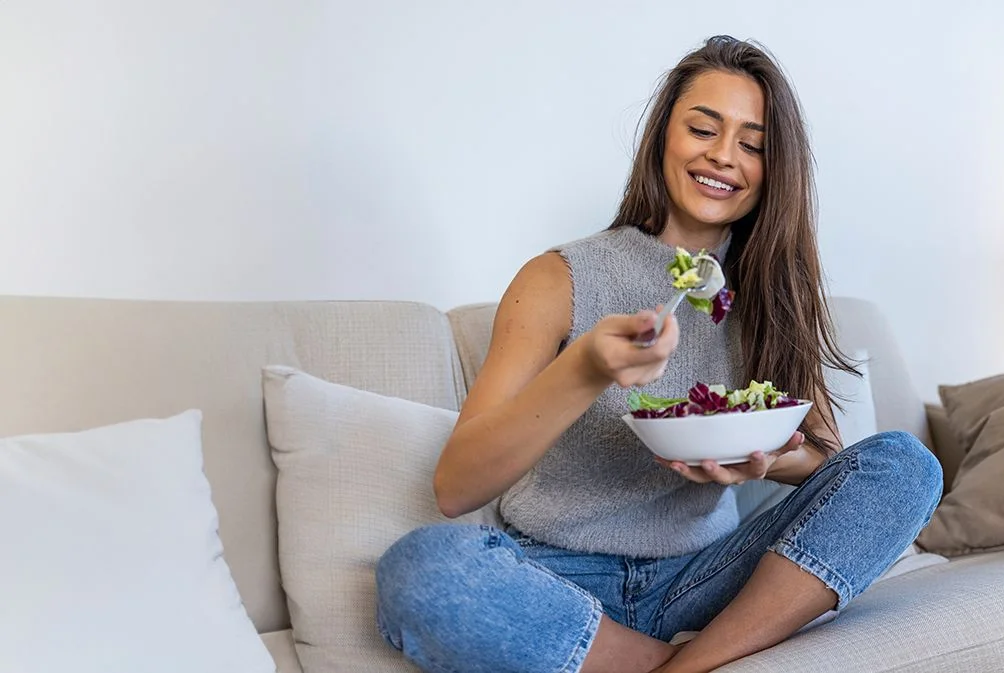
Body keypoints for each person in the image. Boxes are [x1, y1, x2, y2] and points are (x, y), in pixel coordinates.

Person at [373, 36, 944, 673]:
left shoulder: (772, 294)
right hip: (555, 577)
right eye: (703, 128)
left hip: (702, 579)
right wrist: (586, 369)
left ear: (773, 169)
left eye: (752, 145)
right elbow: (456, 488)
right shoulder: (558, 277)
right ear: (663, 137)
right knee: (420, 569)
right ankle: (683, 663)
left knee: (904, 465)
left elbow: (826, 463)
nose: (723, 157)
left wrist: (762, 461)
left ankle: (685, 662)